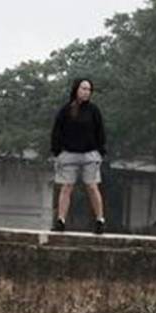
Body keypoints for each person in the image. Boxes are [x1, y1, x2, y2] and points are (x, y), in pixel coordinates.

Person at [50, 77, 107, 233]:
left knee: (92, 186)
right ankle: (60, 220)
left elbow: (100, 131)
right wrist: (57, 151)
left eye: (89, 89)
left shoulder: (94, 111)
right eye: (83, 88)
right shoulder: (66, 110)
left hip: (90, 155)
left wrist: (101, 151)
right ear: (76, 89)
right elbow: (57, 131)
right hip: (68, 154)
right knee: (66, 187)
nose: (86, 92)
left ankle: (100, 220)